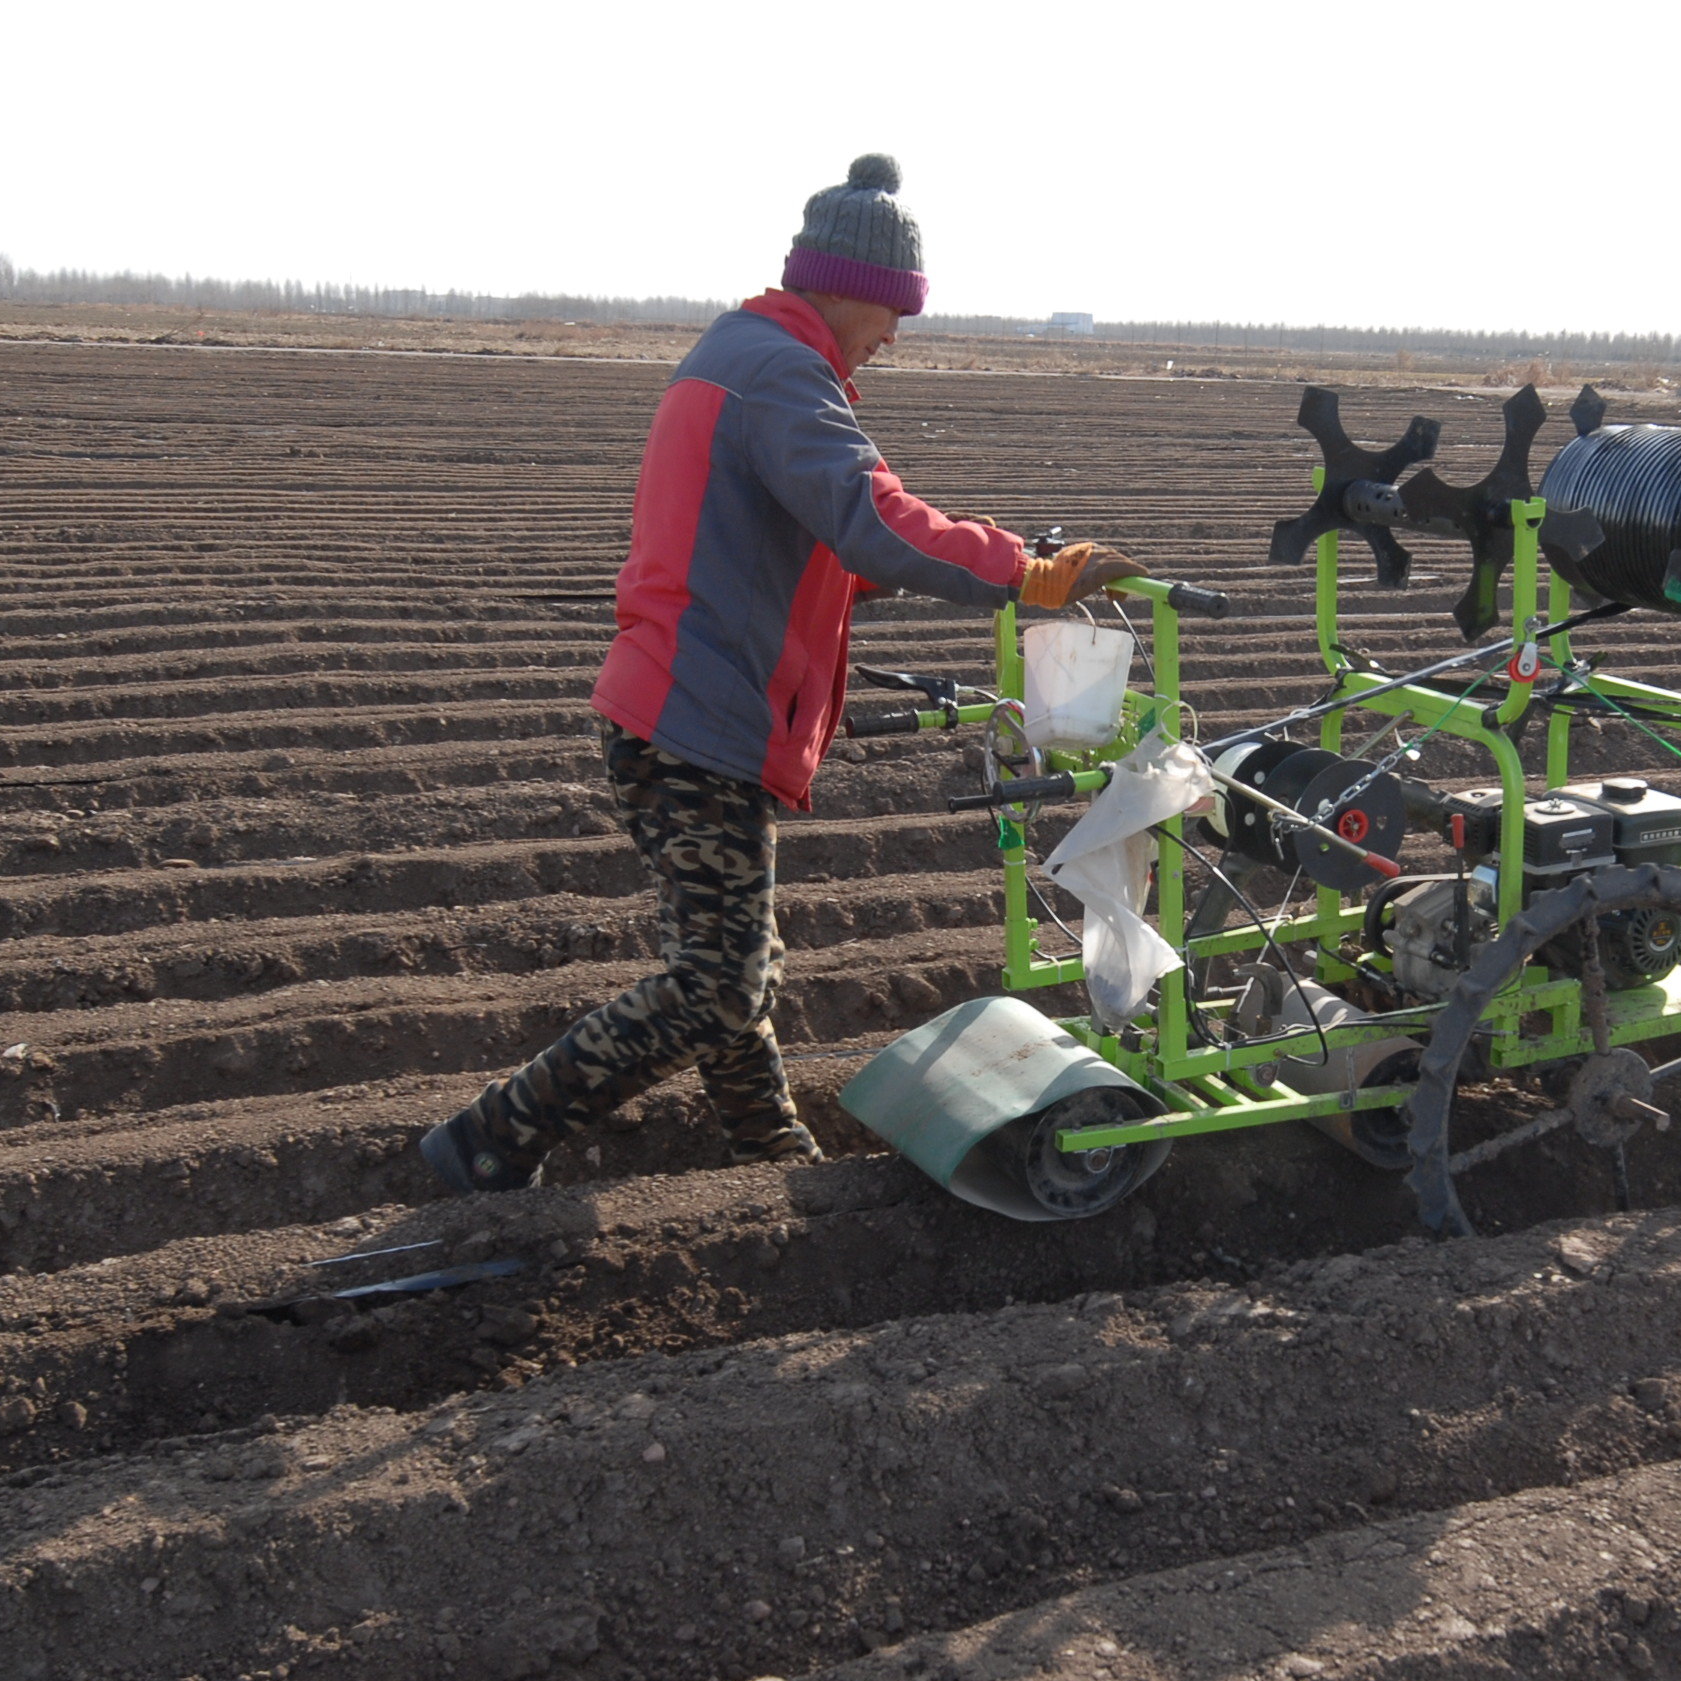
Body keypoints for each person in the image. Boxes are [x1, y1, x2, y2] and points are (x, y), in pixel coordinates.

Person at [420, 154, 1143, 1193]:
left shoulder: (744, 355)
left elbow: (765, 546)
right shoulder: (778, 372)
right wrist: (1024, 574)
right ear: (849, 287)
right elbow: (870, 518)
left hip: (674, 701)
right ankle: (495, 1132)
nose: (892, 337)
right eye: (893, 312)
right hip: (697, 719)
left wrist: (864, 590)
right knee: (718, 982)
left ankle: (767, 1152)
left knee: (732, 962)